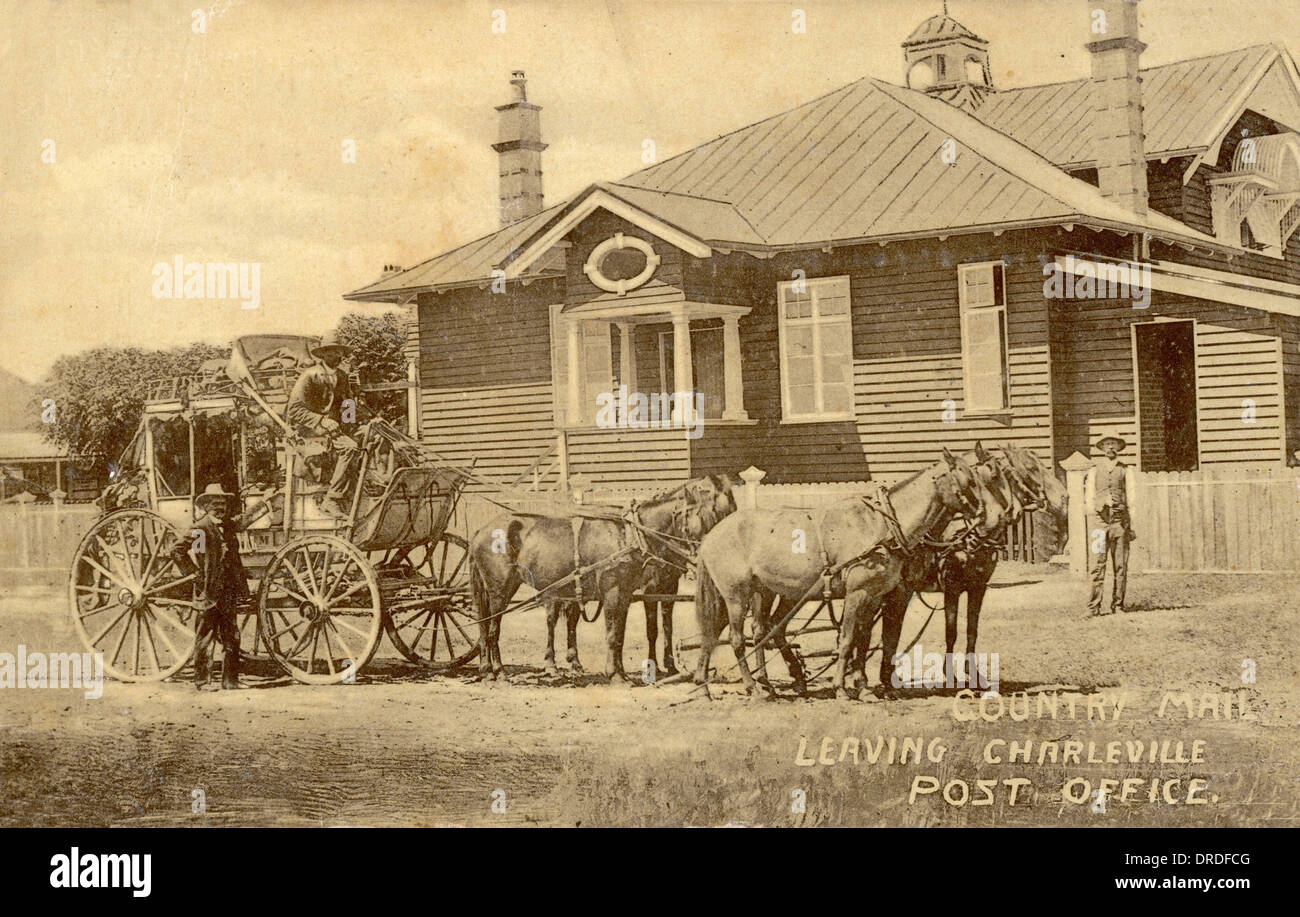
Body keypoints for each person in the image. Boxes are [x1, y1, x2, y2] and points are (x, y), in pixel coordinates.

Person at [176, 483, 274, 689]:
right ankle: (202, 681)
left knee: (232, 636)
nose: (220, 507)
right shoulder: (200, 528)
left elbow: (245, 519)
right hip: (208, 591)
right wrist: (195, 574)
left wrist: (265, 501)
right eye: (215, 503)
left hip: (228, 591)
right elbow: (177, 551)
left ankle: (230, 681)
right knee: (205, 636)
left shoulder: (228, 525)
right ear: (206, 505)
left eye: (222, 503)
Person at [286, 332, 364, 517]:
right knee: (350, 449)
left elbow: (347, 407)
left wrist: (355, 421)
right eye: (330, 353)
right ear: (323, 355)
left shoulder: (343, 376)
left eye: (338, 353)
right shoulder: (310, 376)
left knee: (369, 438)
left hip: (335, 430)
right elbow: (294, 410)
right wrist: (322, 420)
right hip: (311, 433)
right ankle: (332, 499)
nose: (335, 357)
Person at [1084, 433, 1135, 616]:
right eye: (1107, 444)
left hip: (1119, 523)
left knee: (1120, 565)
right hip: (1099, 523)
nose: (1110, 447)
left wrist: (1131, 525)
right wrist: (1097, 508)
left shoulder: (1126, 470)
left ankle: (1118, 605)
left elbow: (1132, 498)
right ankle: (1093, 607)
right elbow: (1089, 498)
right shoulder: (1094, 471)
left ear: (1119, 447)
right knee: (1097, 564)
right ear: (1102, 448)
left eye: (1113, 444)